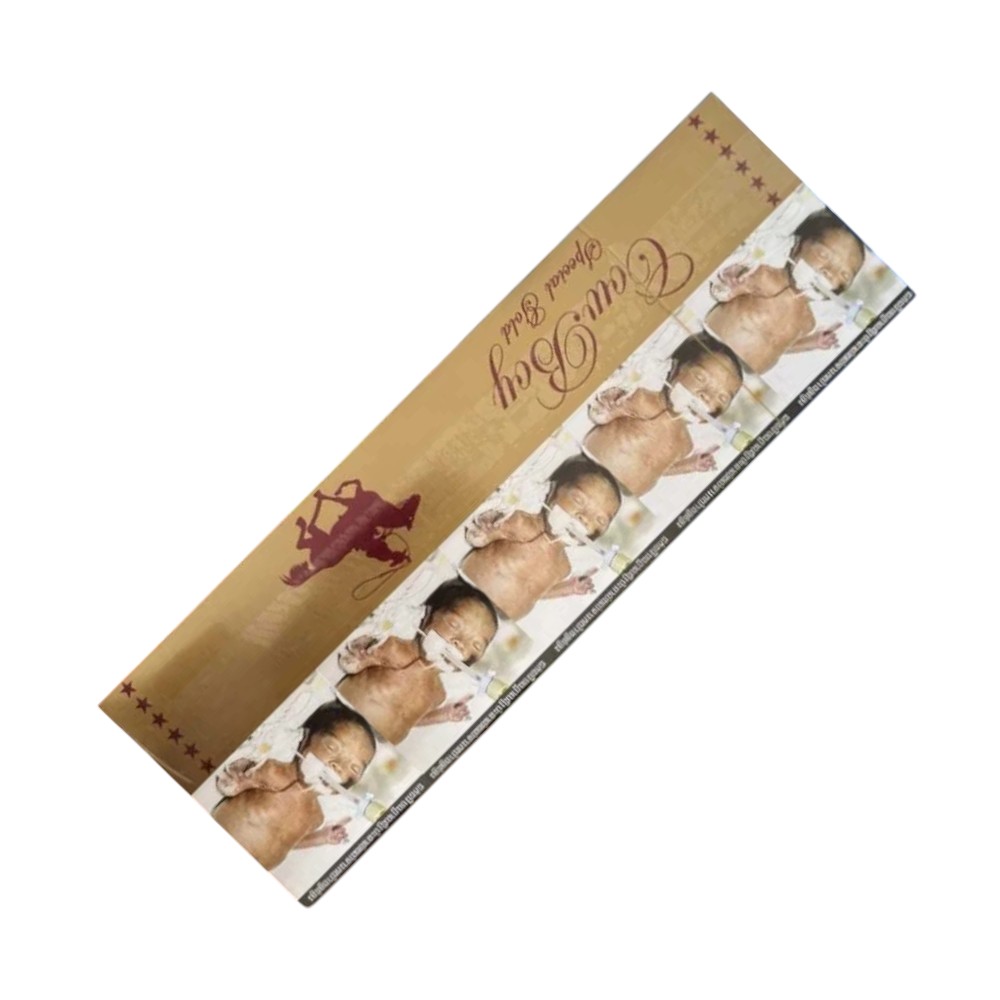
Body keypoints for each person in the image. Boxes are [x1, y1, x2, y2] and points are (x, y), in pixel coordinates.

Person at [212, 701, 376, 870]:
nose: (338, 766)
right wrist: (235, 780)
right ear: (304, 738)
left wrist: (321, 837)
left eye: (354, 768)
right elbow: (237, 775)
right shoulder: (272, 771)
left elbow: (291, 843)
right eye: (332, 747)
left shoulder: (315, 817)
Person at [336, 579, 499, 744]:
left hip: (378, 744)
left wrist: (443, 715)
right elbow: (353, 662)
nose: (460, 643)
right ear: (428, 615)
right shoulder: (395, 648)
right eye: (454, 625)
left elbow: (412, 721)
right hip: (347, 719)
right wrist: (359, 657)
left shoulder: (438, 694)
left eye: (476, 645)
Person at [704, 209, 866, 373]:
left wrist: (812, 343)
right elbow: (722, 293)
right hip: (713, 348)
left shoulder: (807, 322)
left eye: (844, 274)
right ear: (797, 246)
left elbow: (781, 347)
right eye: (824, 255)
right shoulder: (766, 278)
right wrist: (727, 284)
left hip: (745, 374)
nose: (829, 272)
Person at [460, 455, 621, 620]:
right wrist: (484, 530)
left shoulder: (563, 568)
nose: (584, 518)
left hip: (500, 620)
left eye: (600, 520)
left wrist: (568, 588)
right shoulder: (521, 524)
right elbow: (479, 536)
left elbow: (539, 593)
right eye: (579, 500)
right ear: (552, 490)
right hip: (469, 592)